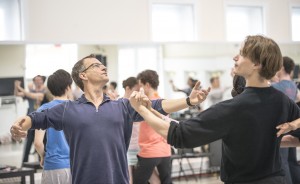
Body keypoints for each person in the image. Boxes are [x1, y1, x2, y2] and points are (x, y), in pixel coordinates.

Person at [10, 54, 209, 184]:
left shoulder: (122, 106)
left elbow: (158, 106)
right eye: (96, 65)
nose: (103, 67)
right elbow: (37, 118)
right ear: (83, 76)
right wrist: (21, 125)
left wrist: (189, 101)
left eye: (102, 64)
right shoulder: (67, 109)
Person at [128, 35, 300, 184]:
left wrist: (141, 111)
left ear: (256, 63)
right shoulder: (282, 101)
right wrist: (271, 141)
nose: (235, 57)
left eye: (241, 53)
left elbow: (180, 135)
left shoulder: (234, 108)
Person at [34, 69, 73, 184]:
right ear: (68, 87)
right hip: (77, 165)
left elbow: (38, 143)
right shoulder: (77, 108)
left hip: (53, 165)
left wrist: (43, 156)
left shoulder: (43, 109)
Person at [134, 70, 172, 184]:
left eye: (140, 86)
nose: (139, 89)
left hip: (150, 151)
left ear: (147, 85)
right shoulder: (163, 102)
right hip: (165, 151)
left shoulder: (148, 104)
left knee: (137, 181)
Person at [272, 56, 300, 184]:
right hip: (293, 129)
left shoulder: (274, 87)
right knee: (292, 162)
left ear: (282, 67)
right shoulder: (294, 86)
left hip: (282, 128)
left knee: (282, 163)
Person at [14, 75, 47, 165]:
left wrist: (20, 87)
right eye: (36, 80)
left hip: (42, 120)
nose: (38, 81)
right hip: (31, 120)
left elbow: (33, 96)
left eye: (40, 80)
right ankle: (24, 163)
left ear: (43, 81)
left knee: (42, 143)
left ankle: (41, 162)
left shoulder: (45, 91)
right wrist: (16, 87)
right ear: (34, 81)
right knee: (28, 142)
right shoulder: (30, 91)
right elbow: (17, 94)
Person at [122, 77, 140, 184]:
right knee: (128, 178)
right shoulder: (119, 103)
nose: (137, 92)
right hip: (127, 147)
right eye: (135, 89)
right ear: (128, 88)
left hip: (139, 146)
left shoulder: (137, 103)